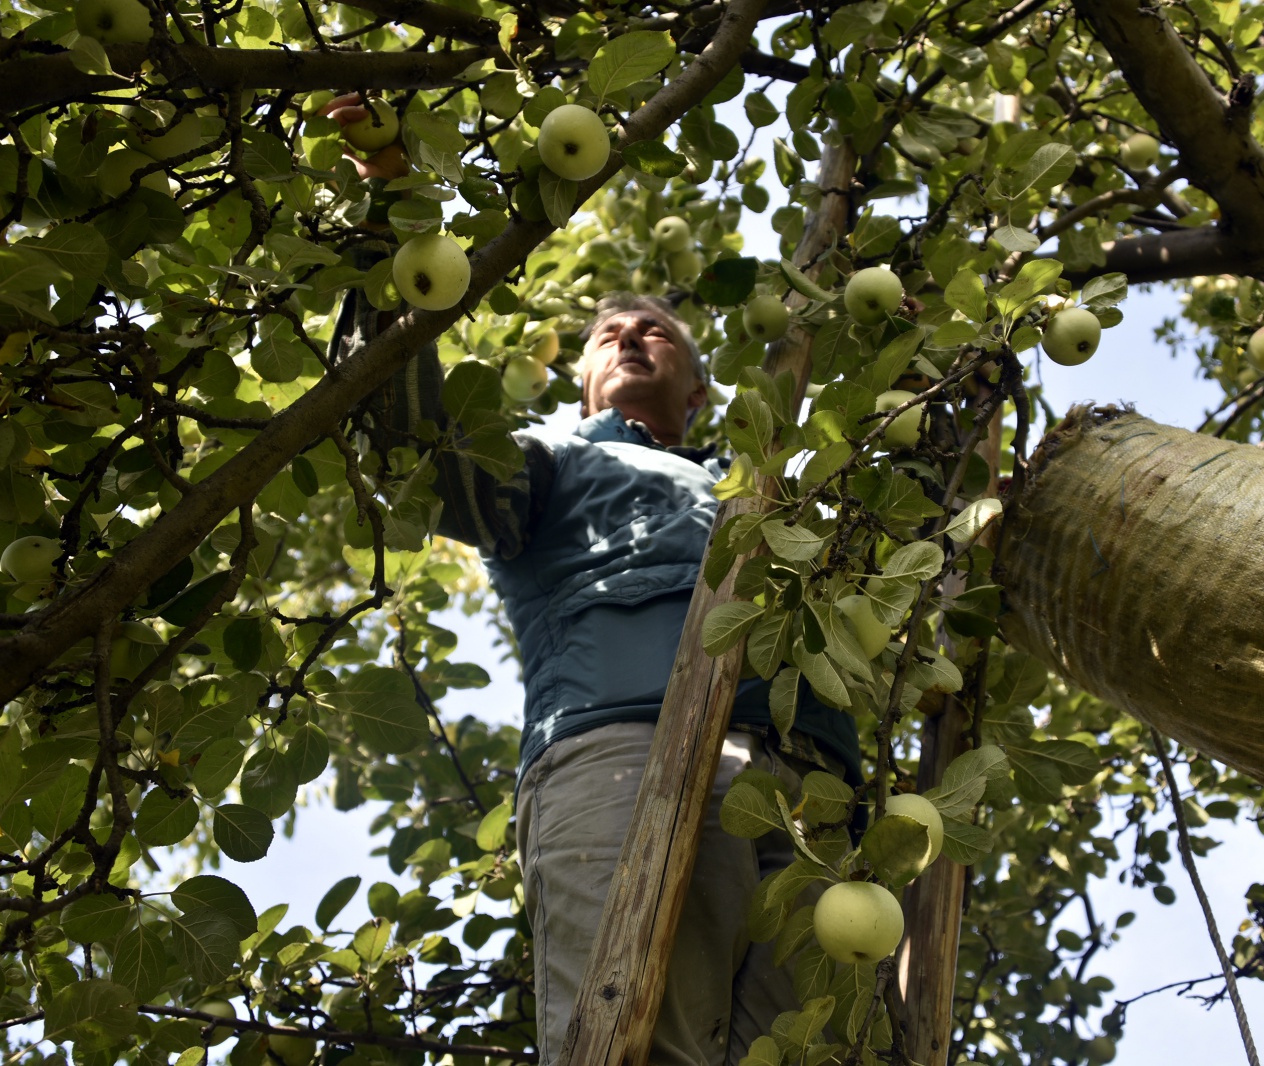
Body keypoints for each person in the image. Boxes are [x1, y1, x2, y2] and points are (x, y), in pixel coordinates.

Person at [324, 97, 862, 1065]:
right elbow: (410, 446)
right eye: (610, 330)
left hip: (809, 786)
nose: (629, 333)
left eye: (655, 328)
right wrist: (393, 214)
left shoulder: (763, 483)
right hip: (626, 753)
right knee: (637, 1046)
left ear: (700, 389)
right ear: (582, 382)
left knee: (823, 1050)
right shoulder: (552, 459)